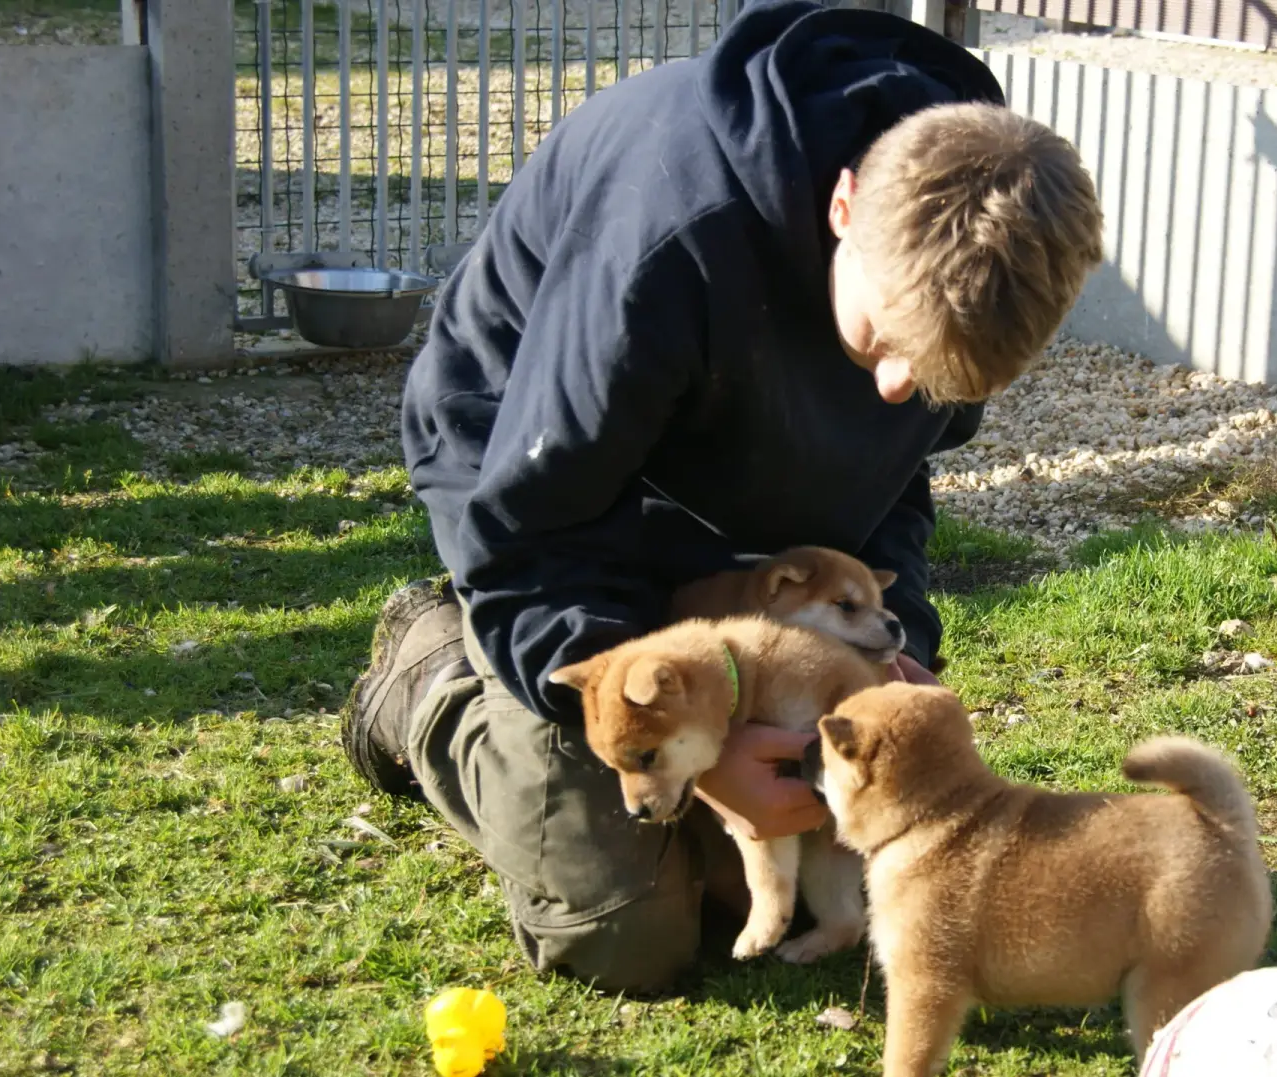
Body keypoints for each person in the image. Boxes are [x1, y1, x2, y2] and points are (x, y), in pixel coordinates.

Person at [339, 0, 1104, 994]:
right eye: (883, 346)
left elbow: (889, 495)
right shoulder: (663, 247)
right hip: (547, 495)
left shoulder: (966, 272)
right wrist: (699, 757)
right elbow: (531, 528)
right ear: (842, 209)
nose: (893, 394)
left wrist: (892, 640)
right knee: (628, 933)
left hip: (748, 519)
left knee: (815, 884)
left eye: (934, 382)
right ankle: (431, 679)